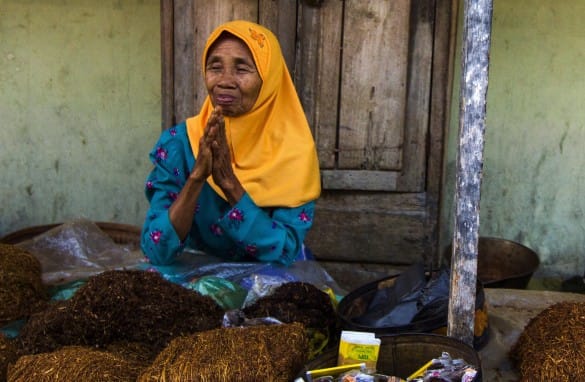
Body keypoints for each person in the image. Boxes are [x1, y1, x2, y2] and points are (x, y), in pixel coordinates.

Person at [140, 20, 321, 268]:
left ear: (268, 79)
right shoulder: (179, 144)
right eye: (215, 67)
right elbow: (155, 250)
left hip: (267, 284)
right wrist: (196, 179)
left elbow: (285, 252)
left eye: (242, 69)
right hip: (194, 282)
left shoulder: (293, 154)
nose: (225, 81)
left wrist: (228, 182)